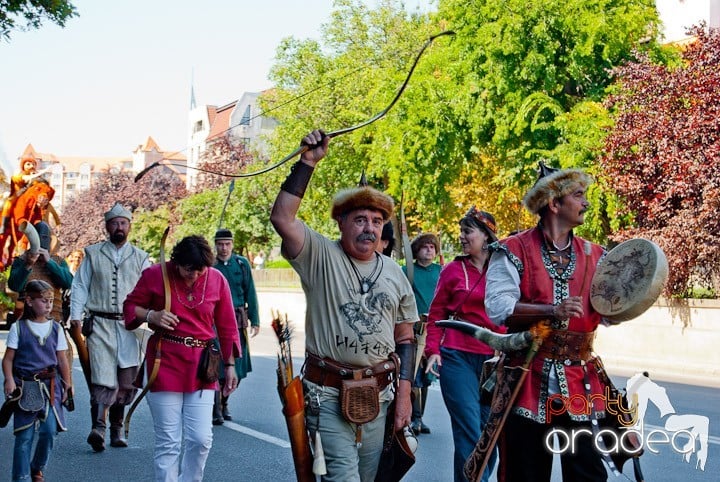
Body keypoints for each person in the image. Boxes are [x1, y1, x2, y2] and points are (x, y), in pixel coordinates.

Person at [270, 130, 418, 481]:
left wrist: (405, 397)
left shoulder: (395, 274)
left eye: (377, 221)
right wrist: (307, 163)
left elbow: (407, 339)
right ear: (341, 222)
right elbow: (283, 219)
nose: (370, 228)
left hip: (380, 395)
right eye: (361, 219)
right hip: (327, 394)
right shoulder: (319, 254)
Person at [485, 163, 607, 481]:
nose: (586, 203)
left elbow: (611, 312)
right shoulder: (512, 250)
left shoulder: (598, 255)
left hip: (581, 378)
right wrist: (552, 310)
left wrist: (631, 294)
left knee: (589, 474)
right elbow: (498, 309)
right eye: (578, 195)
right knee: (525, 473)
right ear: (554, 204)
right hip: (527, 377)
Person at [124, 235, 240, 482]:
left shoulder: (217, 279)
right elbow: (130, 308)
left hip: (202, 366)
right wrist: (151, 316)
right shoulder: (156, 274)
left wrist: (230, 366)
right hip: (163, 362)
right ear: (176, 261)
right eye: (189, 269)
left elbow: (228, 326)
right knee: (168, 441)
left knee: (201, 439)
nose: (194, 276)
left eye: (200, 271)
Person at [424, 207, 502, 482]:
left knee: (489, 432)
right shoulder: (453, 270)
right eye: (461, 232)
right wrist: (432, 351)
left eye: (467, 231)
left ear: (486, 235)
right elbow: (436, 315)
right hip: (456, 358)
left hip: (495, 361)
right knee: (469, 430)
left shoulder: (505, 269)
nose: (462, 237)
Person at [68, 202, 150, 452]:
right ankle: (98, 428)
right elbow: (80, 285)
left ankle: (117, 428)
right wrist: (76, 316)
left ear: (129, 226)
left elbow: (151, 288)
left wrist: (152, 316)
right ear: (107, 227)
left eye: (123, 223)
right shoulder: (93, 253)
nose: (119, 227)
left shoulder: (141, 257)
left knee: (127, 379)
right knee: (101, 377)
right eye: (114, 223)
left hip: (129, 326)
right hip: (100, 324)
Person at [2, 280, 72, 482]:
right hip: (25, 387)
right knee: (24, 436)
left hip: (50, 387)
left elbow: (62, 359)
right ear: (30, 301)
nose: (48, 305)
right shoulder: (19, 328)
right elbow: (8, 359)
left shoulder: (57, 328)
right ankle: (21, 477)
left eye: (50, 301)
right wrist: (9, 380)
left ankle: (37, 467)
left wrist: (67, 384)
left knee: (49, 431)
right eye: (43, 301)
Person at [212, 229, 260, 425]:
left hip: (238, 320)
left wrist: (255, 320)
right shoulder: (210, 265)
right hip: (214, 321)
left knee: (237, 367)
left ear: (232, 244)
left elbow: (251, 293)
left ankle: (224, 401)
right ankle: (216, 408)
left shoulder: (242, 264)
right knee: (217, 365)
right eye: (220, 244)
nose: (224, 248)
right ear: (215, 245)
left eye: (227, 244)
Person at [402, 232, 442, 436]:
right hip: (413, 330)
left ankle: (420, 417)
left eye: (432, 247)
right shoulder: (406, 270)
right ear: (416, 250)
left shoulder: (441, 272)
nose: (429, 249)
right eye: (425, 246)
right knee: (413, 375)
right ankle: (412, 417)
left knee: (426, 377)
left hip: (434, 331)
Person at [0, 155, 49, 235]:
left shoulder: (36, 176)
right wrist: (34, 177)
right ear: (23, 165)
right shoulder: (19, 174)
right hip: (18, 195)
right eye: (28, 164)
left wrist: (39, 179)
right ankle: (3, 226)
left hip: (30, 198)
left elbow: (42, 186)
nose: (31, 166)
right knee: (8, 204)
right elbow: (21, 181)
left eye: (33, 164)